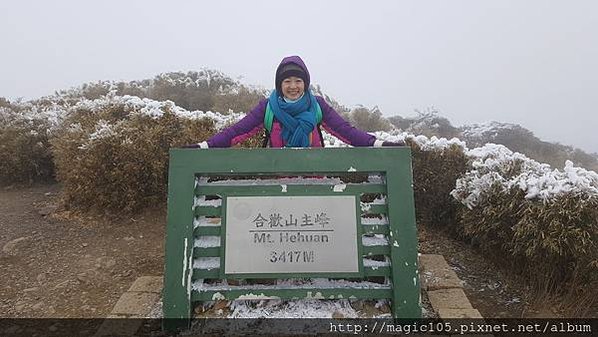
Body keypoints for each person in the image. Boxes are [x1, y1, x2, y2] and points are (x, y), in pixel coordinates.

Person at [186, 55, 404, 148]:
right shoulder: (268, 107)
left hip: (315, 180)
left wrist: (377, 143)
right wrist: (205, 145)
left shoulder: (317, 105)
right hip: (277, 180)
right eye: (287, 81)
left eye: (298, 80)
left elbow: (345, 131)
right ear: (279, 84)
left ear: (305, 83)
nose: (293, 86)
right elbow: (237, 131)